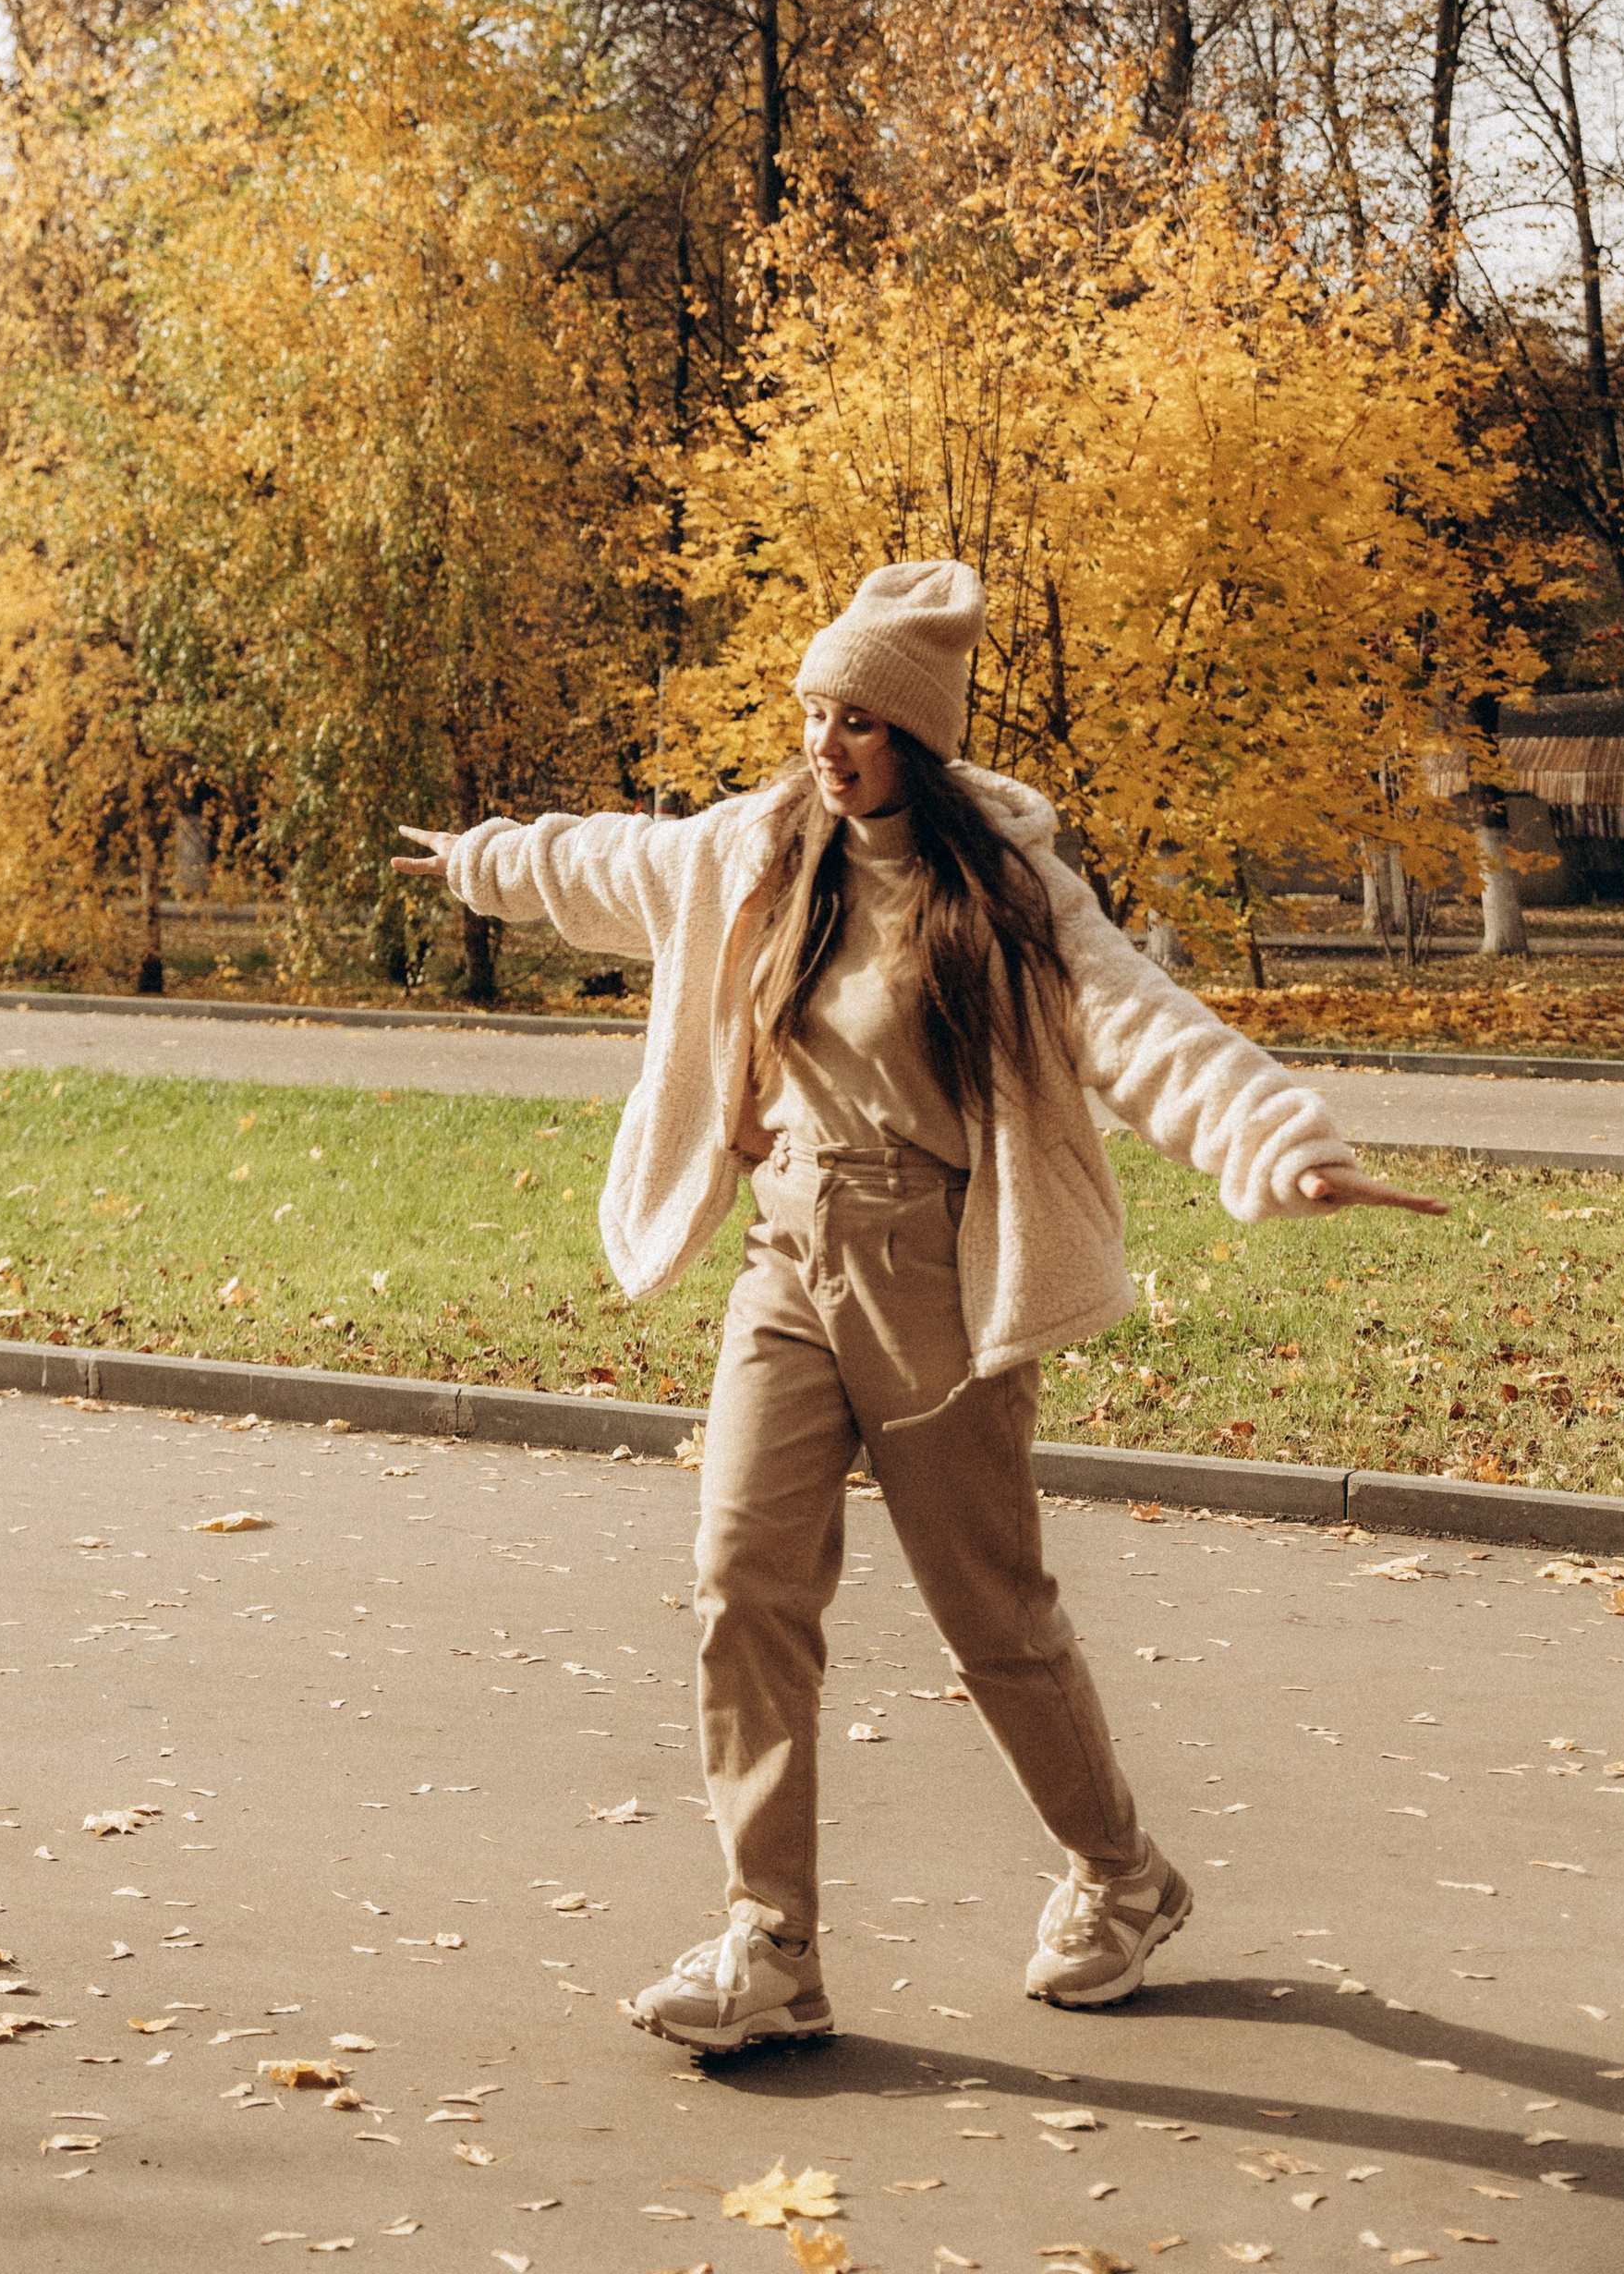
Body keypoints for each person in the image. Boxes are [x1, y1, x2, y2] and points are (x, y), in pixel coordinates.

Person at [394, 558, 1440, 2054]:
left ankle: (1124, 1877)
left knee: (991, 1617)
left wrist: (1286, 1148)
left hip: (931, 1270)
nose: (827, 743)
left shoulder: (1004, 895)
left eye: (860, 722)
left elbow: (1148, 1030)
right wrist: (484, 858)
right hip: (784, 1253)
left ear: (919, 742)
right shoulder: (757, 846)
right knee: (743, 1582)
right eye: (814, 711)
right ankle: (772, 1943)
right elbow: (613, 863)